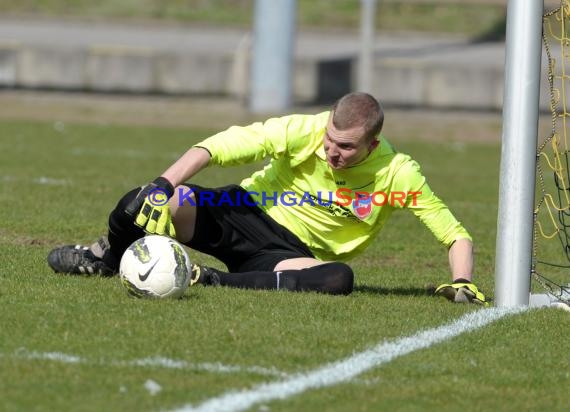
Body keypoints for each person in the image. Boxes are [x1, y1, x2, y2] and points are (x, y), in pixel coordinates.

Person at [47, 92, 487, 304]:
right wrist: (163, 183)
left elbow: (453, 233)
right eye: (331, 139)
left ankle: (210, 279)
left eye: (346, 147)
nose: (332, 151)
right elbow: (220, 146)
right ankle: (106, 256)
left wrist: (463, 280)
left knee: (339, 280)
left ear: (372, 146)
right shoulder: (306, 130)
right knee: (137, 202)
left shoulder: (397, 172)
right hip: (239, 212)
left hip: (290, 254)